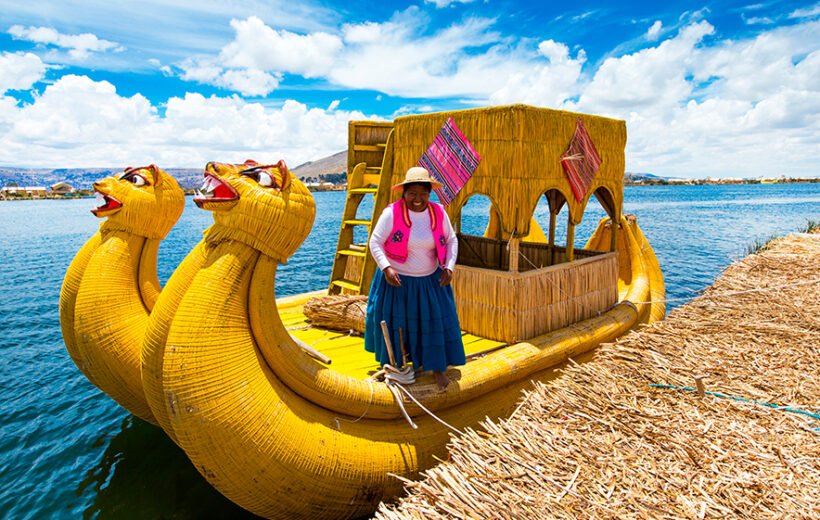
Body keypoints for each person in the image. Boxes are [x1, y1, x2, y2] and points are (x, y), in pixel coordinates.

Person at [364, 166, 465, 389]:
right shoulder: (392, 213)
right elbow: (375, 242)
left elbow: (451, 240)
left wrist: (449, 266)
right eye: (412, 194)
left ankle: (437, 368)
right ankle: (395, 366)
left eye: (423, 194)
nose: (418, 199)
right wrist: (387, 268)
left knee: (434, 324)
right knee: (397, 324)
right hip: (397, 282)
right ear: (404, 193)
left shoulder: (438, 212)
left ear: (429, 194)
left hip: (430, 281)